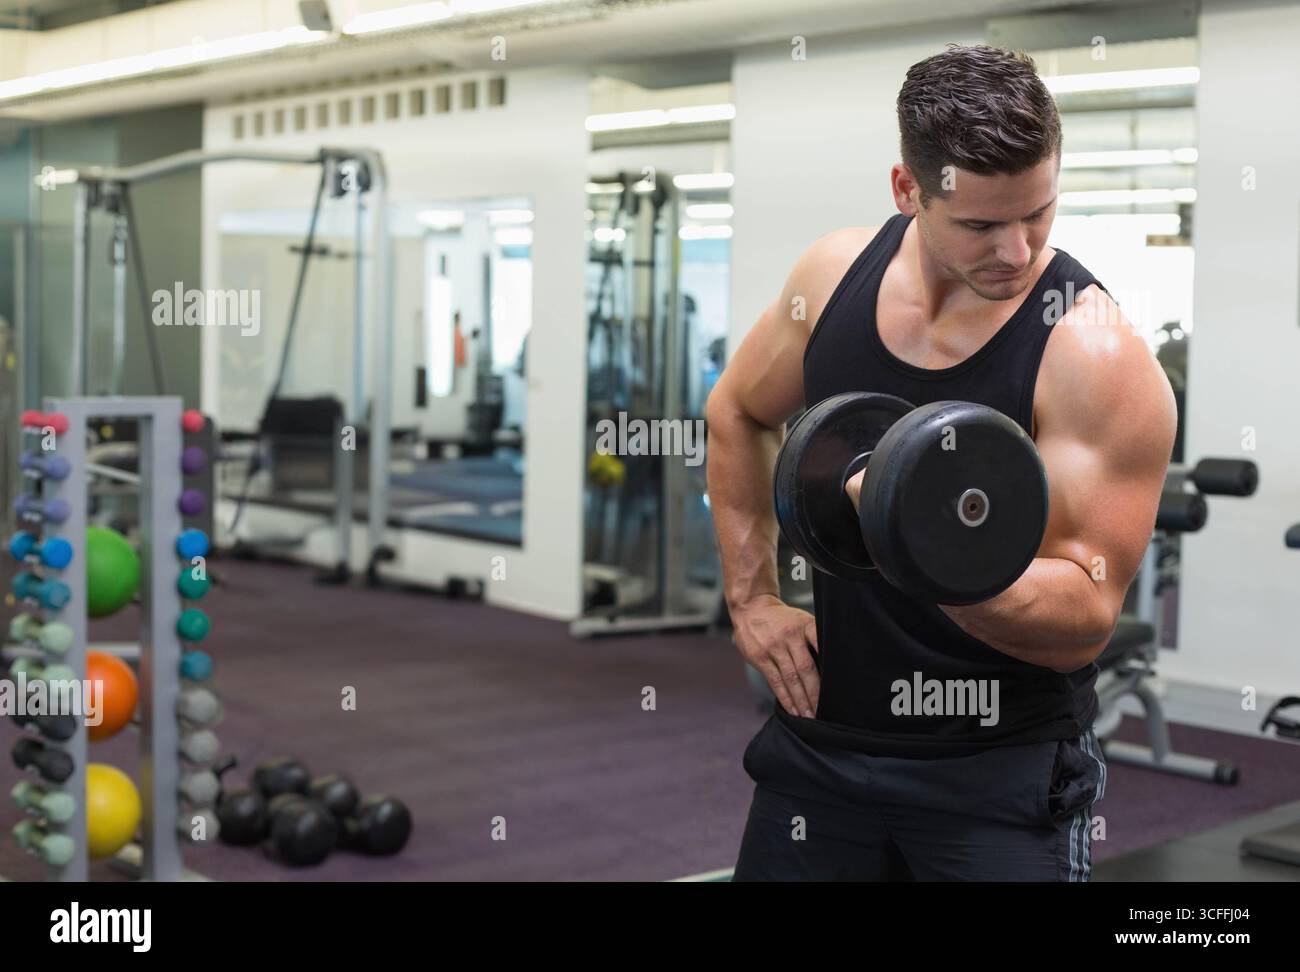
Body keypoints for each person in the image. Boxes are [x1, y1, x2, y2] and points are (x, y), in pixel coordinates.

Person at [705, 44, 1176, 881]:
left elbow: (1085, 619)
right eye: (980, 224)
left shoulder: (1093, 354)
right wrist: (752, 599)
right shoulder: (833, 276)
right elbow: (737, 412)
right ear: (907, 190)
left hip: (996, 772)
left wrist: (922, 544)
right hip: (821, 748)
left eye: (1039, 213)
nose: (1018, 251)